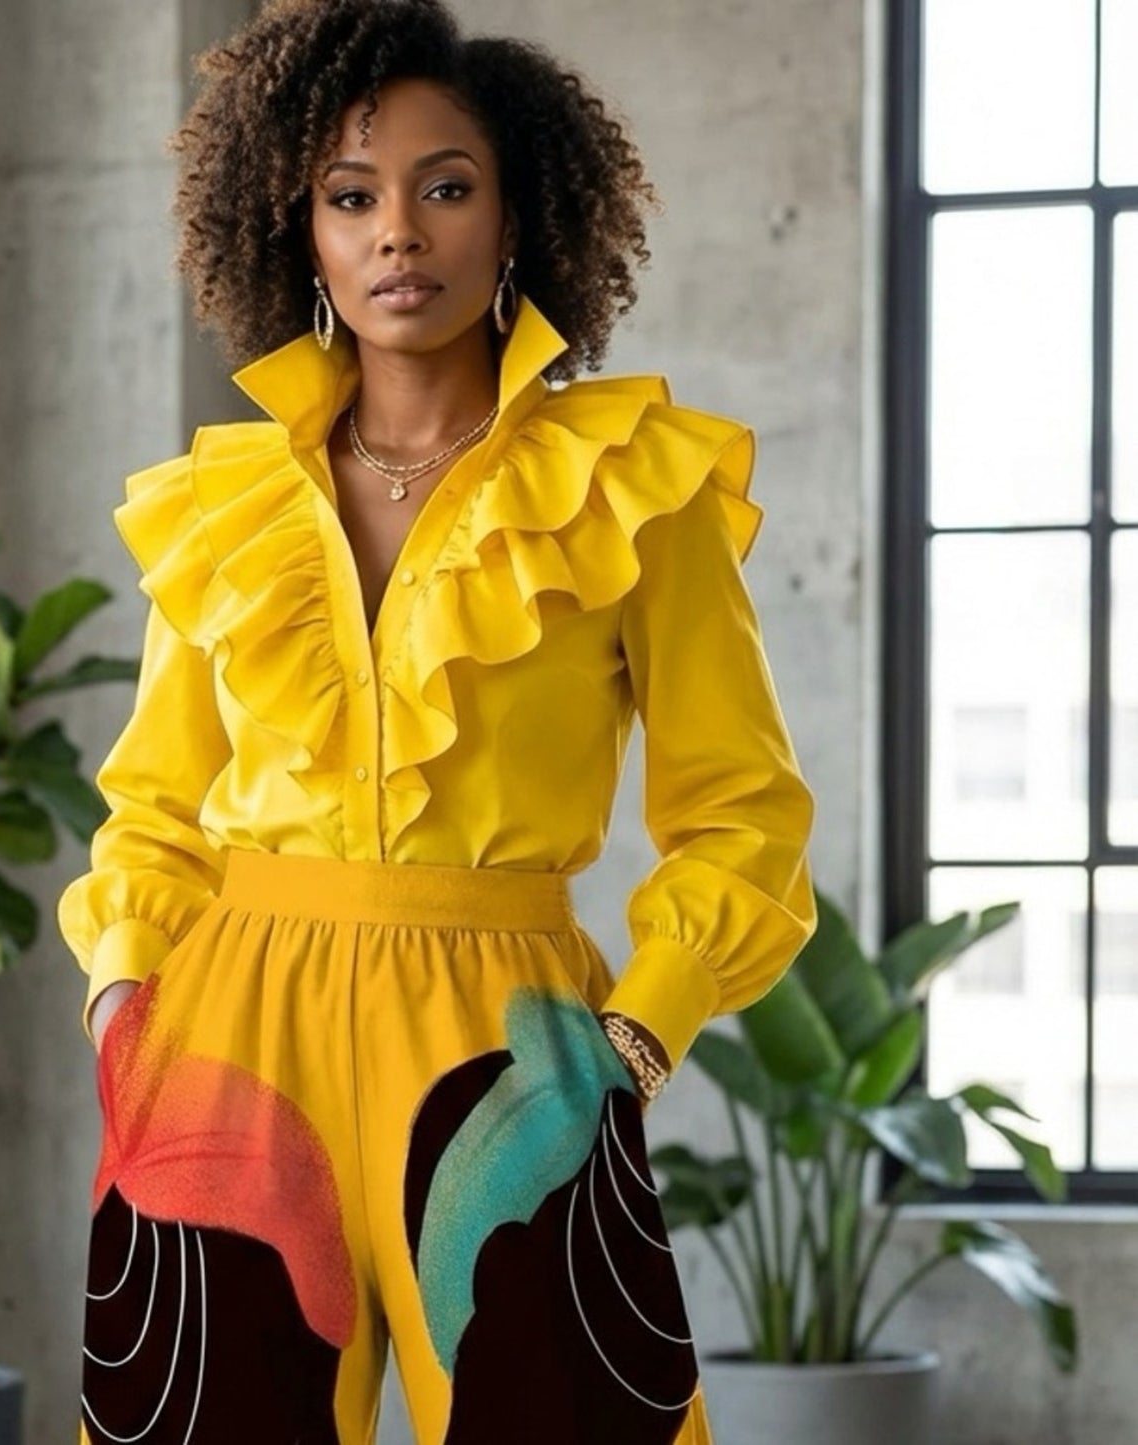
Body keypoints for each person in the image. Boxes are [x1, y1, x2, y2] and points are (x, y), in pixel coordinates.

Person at [58, 2, 817, 1442]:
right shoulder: (225, 505)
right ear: (304, 234)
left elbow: (743, 817)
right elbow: (153, 807)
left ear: (514, 213)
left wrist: (631, 1044)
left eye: (443, 186)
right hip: (228, 1046)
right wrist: (124, 1011)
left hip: (509, 1049)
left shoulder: (632, 486)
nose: (397, 229)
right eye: (351, 196)